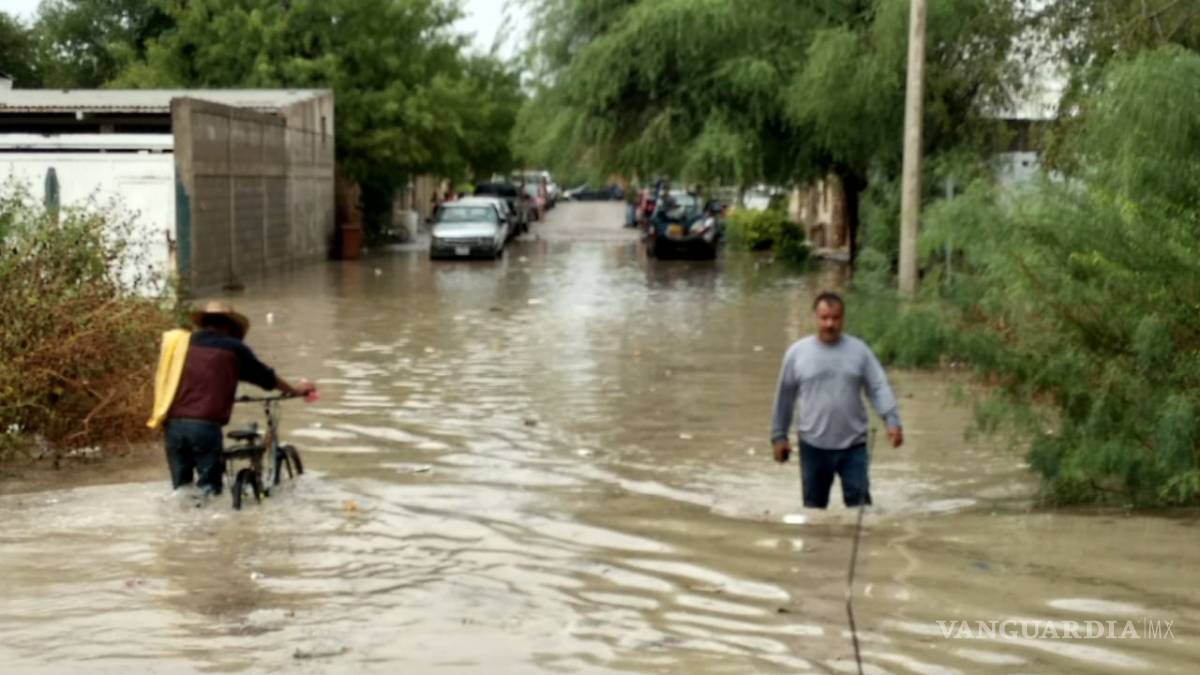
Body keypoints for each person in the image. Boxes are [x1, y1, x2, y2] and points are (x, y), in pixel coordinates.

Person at [158, 301, 314, 496]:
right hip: (204, 428)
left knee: (181, 490)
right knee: (209, 491)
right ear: (230, 326)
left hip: (172, 426)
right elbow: (265, 377)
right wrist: (295, 390)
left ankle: (182, 524)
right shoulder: (233, 348)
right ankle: (209, 525)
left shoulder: (182, 346)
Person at [770, 292, 903, 509]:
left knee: (861, 508)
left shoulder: (859, 351)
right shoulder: (797, 353)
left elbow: (878, 386)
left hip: (854, 445)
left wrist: (892, 421)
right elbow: (784, 396)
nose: (830, 324)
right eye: (824, 318)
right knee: (813, 510)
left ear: (843, 318)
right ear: (815, 318)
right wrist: (778, 436)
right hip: (813, 445)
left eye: (835, 318)